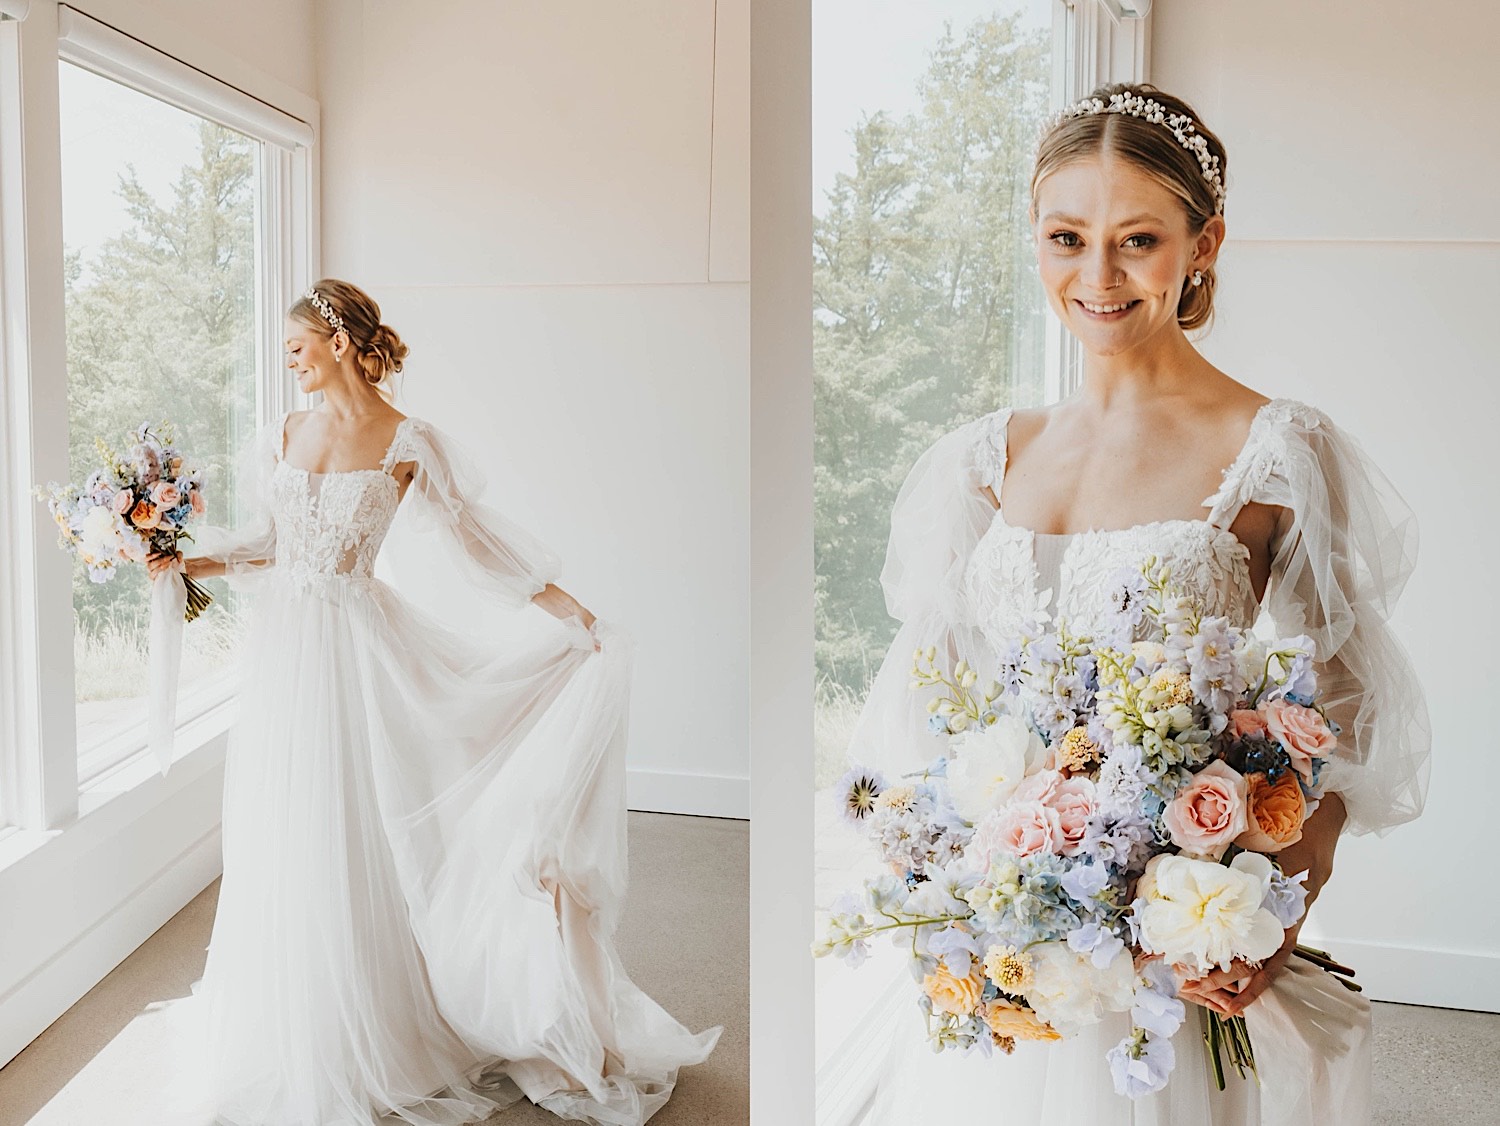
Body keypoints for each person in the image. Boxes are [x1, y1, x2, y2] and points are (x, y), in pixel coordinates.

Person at [852, 85, 1429, 1123]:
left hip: (1177, 944)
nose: (1098, 276)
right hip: (1019, 940)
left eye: (1138, 240)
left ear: (1203, 244)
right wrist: (955, 873)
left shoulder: (1277, 449)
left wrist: (1267, 910)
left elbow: (1348, 701)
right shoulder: (981, 459)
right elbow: (932, 711)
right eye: (1068, 238)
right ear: (1034, 240)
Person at [148, 278, 719, 1125]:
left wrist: (571, 613)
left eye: (299, 348)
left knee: (370, 819)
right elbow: (271, 544)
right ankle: (303, 1010)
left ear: (338, 341)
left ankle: (384, 1010)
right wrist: (186, 560)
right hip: (287, 659)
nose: (291, 364)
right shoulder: (288, 430)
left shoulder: (408, 439)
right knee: (291, 823)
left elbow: (476, 540)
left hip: (358, 647)